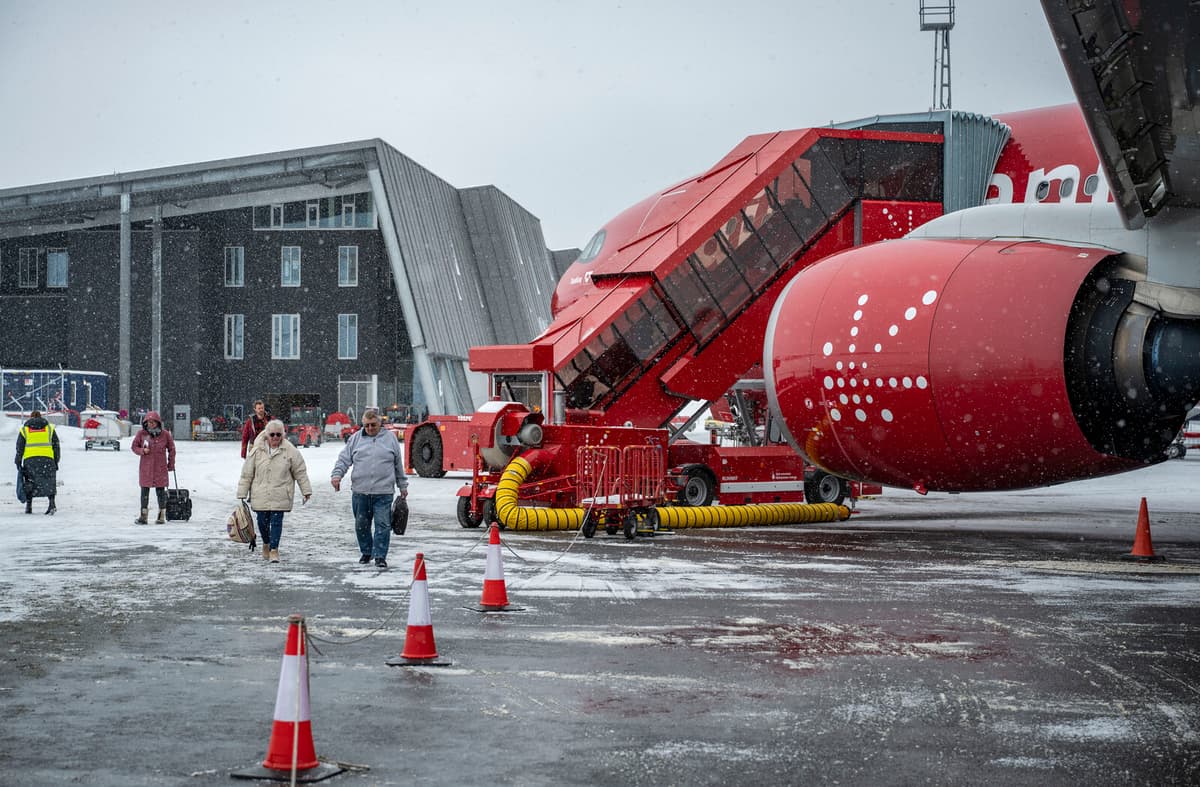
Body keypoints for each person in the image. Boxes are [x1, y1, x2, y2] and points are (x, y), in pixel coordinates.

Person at [330, 408, 408, 569]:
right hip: (361, 492)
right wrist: (337, 475)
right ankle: (366, 551)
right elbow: (344, 459)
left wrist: (403, 485)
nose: (370, 428)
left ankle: (380, 556)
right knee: (361, 525)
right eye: (366, 425)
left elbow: (397, 465)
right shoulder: (355, 439)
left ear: (380, 424)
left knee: (383, 525)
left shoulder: (390, 439)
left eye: (373, 425)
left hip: (383, 492)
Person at [237, 419, 312, 563]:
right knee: (262, 522)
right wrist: (242, 492)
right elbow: (247, 473)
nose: (275, 438)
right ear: (267, 435)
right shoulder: (257, 450)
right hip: (261, 493)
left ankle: (274, 549)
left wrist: (306, 490)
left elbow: (300, 471)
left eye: (279, 435)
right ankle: (266, 542)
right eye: (272, 435)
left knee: (276, 522)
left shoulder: (290, 451)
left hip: (281, 493)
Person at [131, 411, 176, 524]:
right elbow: (134, 447)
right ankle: (143, 516)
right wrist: (142, 451)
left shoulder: (165, 434)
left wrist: (171, 464)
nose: (150, 424)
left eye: (153, 422)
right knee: (144, 492)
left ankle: (161, 515)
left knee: (161, 492)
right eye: (148, 422)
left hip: (160, 468)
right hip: (146, 468)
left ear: (158, 423)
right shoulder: (141, 434)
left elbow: (172, 449)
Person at [15, 410, 60, 515]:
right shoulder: (50, 429)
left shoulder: (24, 430)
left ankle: (29, 506)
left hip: (30, 460)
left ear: (30, 418)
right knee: (49, 481)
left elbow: (19, 448)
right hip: (47, 459)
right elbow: (56, 446)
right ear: (41, 417)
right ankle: (52, 504)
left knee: (30, 481)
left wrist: (18, 461)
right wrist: (56, 461)